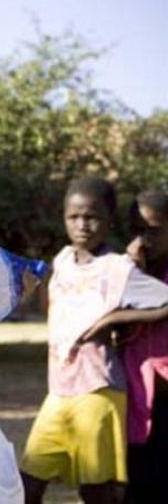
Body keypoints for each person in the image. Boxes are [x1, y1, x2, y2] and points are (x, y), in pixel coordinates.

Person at [19, 177, 168, 504]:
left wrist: (111, 319)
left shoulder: (118, 268)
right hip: (60, 390)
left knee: (98, 490)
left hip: (100, 388)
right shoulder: (61, 261)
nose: (82, 225)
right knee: (27, 482)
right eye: (74, 217)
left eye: (92, 217)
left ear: (107, 220)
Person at [118, 190, 168, 503]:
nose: (144, 238)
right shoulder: (119, 273)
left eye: (154, 229)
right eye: (137, 229)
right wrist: (129, 272)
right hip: (134, 406)